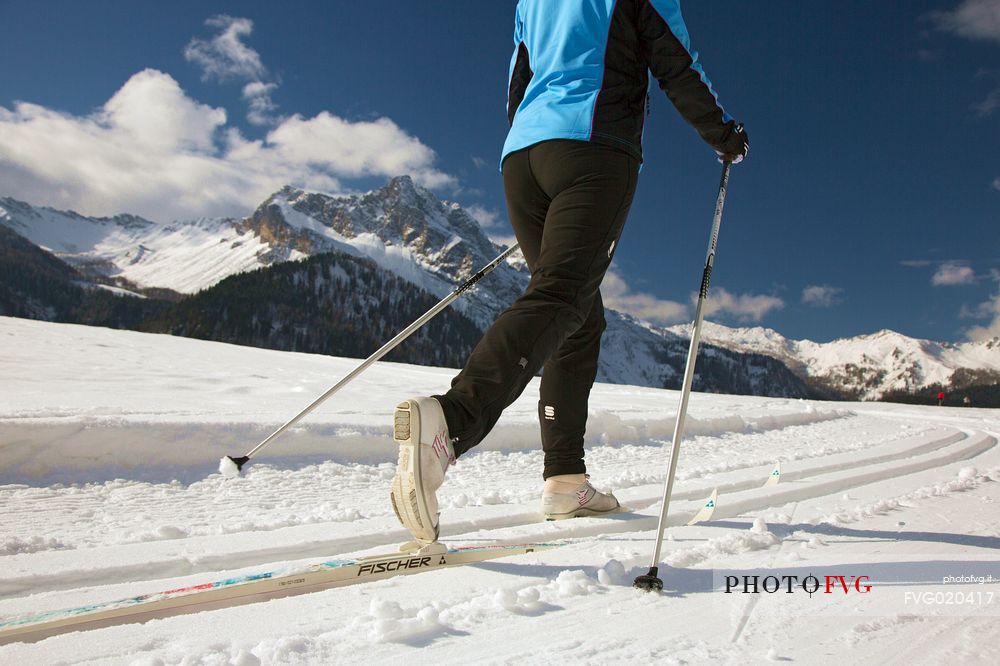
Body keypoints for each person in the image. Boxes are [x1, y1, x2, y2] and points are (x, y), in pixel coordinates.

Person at [390, 0, 750, 545]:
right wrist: (723, 134)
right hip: (594, 147)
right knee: (561, 296)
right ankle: (451, 420)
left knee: (579, 317)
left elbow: (519, 79)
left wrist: (540, 135)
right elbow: (677, 62)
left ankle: (565, 479)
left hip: (525, 157)